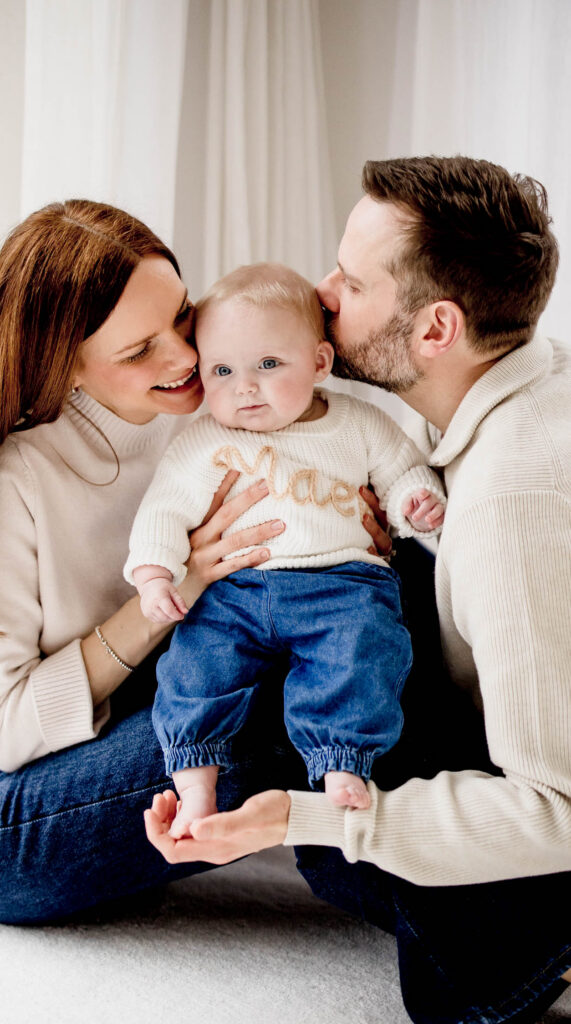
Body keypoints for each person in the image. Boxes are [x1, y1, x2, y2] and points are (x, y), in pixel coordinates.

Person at [144, 156, 571, 1023]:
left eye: (352, 279)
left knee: (342, 842)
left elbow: (557, 808)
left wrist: (303, 821)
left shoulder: (512, 505)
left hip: (546, 803)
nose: (320, 289)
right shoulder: (508, 384)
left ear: (436, 328)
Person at [0, 200, 311, 925]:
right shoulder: (16, 481)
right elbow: (4, 733)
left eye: (182, 317)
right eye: (139, 352)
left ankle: (499, 862)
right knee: (282, 707)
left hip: (134, 723)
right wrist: (176, 586)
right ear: (63, 362)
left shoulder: (200, 411)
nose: (185, 357)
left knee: (371, 621)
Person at [126, 262, 445, 835]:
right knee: (195, 668)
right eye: (222, 370)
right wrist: (154, 575)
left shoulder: (358, 424)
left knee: (365, 652)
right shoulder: (205, 441)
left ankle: (341, 760)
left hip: (342, 585)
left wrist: (415, 502)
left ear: (320, 363)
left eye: (269, 365)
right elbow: (165, 509)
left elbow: (402, 472)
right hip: (235, 594)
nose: (244, 386)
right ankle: (195, 781)